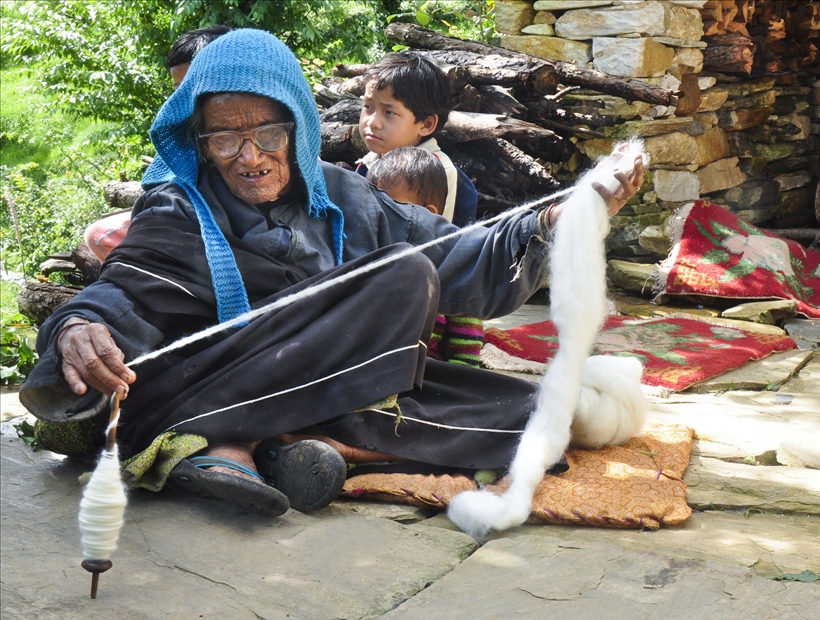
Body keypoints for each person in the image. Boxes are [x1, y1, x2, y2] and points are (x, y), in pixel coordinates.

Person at [20, 29, 643, 519]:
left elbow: (466, 258)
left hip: (338, 384)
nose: (249, 155)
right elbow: (124, 288)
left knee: (542, 417)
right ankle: (247, 440)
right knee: (402, 279)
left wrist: (563, 219)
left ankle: (282, 445)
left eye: (268, 131)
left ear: (298, 124)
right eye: (224, 139)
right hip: (217, 376)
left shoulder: (350, 196)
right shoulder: (179, 206)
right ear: (199, 141)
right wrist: (79, 324)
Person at [85, 25, 231, 261]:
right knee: (100, 235)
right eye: (178, 89)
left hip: (214, 225)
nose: (185, 98)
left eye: (194, 85)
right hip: (181, 215)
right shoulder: (182, 128)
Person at [368, 146, 485, 368]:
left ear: (427, 214)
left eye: (392, 210)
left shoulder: (448, 267)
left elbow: (466, 334)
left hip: (432, 371)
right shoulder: (373, 259)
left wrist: (459, 375)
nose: (381, 219)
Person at [355, 51, 478, 228]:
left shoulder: (440, 174)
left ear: (426, 124)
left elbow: (446, 244)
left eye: (389, 112)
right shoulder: (368, 163)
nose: (372, 122)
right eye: (368, 107)